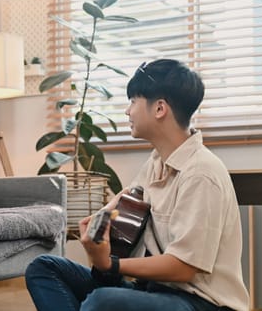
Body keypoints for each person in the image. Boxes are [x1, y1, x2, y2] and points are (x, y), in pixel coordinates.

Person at [25, 59, 249, 311]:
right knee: (44, 267)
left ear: (160, 109)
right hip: (155, 290)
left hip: (201, 302)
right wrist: (101, 226)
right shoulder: (156, 162)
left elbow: (184, 268)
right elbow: (128, 202)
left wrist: (111, 264)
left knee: (101, 302)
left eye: (133, 101)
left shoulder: (201, 174)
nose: (127, 111)